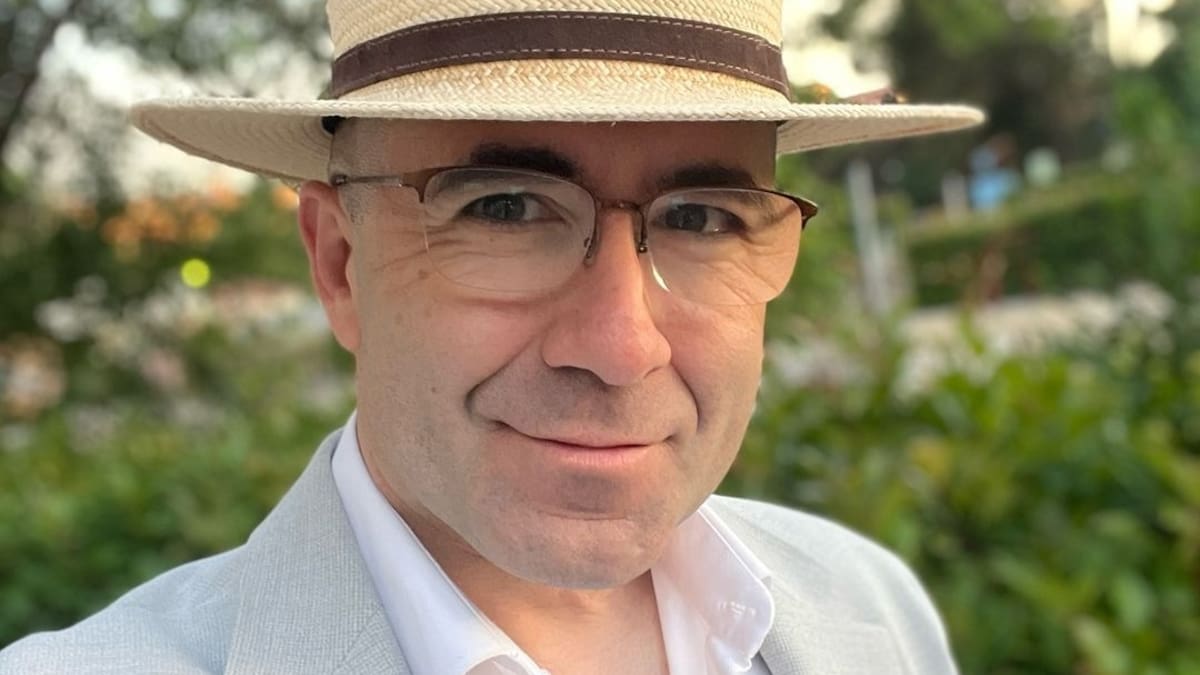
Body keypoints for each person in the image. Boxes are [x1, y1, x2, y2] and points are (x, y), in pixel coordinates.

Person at [0, 0, 983, 673]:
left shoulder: (870, 607)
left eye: (703, 218)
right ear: (339, 262)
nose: (622, 345)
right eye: (505, 209)